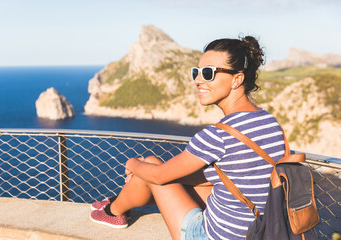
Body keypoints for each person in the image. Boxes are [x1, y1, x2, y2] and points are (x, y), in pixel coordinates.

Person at [90, 36, 286, 240]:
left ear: (237, 79)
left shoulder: (218, 134)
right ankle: (116, 206)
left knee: (150, 168)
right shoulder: (270, 122)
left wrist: (133, 163)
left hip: (215, 237)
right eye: (197, 72)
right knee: (153, 169)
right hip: (266, 230)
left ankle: (113, 211)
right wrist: (149, 171)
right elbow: (232, 176)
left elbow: (159, 177)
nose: (198, 80)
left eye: (208, 73)